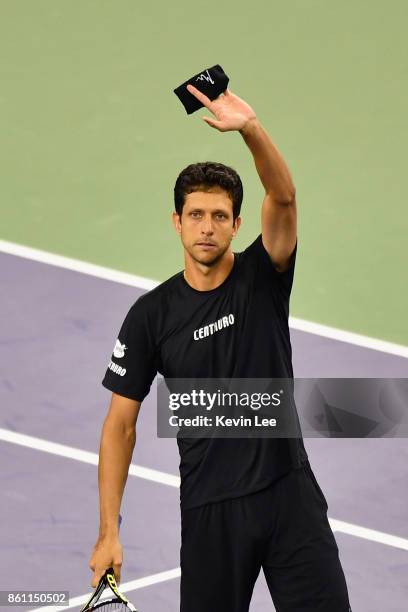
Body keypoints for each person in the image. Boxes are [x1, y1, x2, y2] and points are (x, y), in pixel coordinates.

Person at [89, 84, 352, 611]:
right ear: (176, 222)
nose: (206, 227)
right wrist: (108, 531)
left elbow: (284, 198)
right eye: (195, 215)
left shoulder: (264, 275)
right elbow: (120, 425)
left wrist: (252, 130)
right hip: (212, 511)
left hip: (289, 496)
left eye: (218, 216)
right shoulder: (151, 316)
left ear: (236, 224)